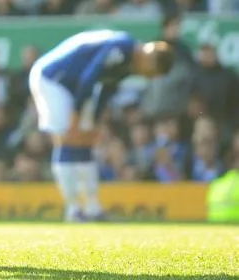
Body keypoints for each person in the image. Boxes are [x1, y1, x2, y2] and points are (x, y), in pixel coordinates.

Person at [29, 30, 174, 221]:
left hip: (75, 87)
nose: (146, 76)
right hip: (53, 79)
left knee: (85, 141)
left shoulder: (128, 60)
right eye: (149, 72)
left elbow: (107, 87)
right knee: (68, 139)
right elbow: (89, 77)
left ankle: (92, 208)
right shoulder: (121, 48)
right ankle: (73, 210)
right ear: (148, 55)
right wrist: (76, 115)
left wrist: (94, 121)